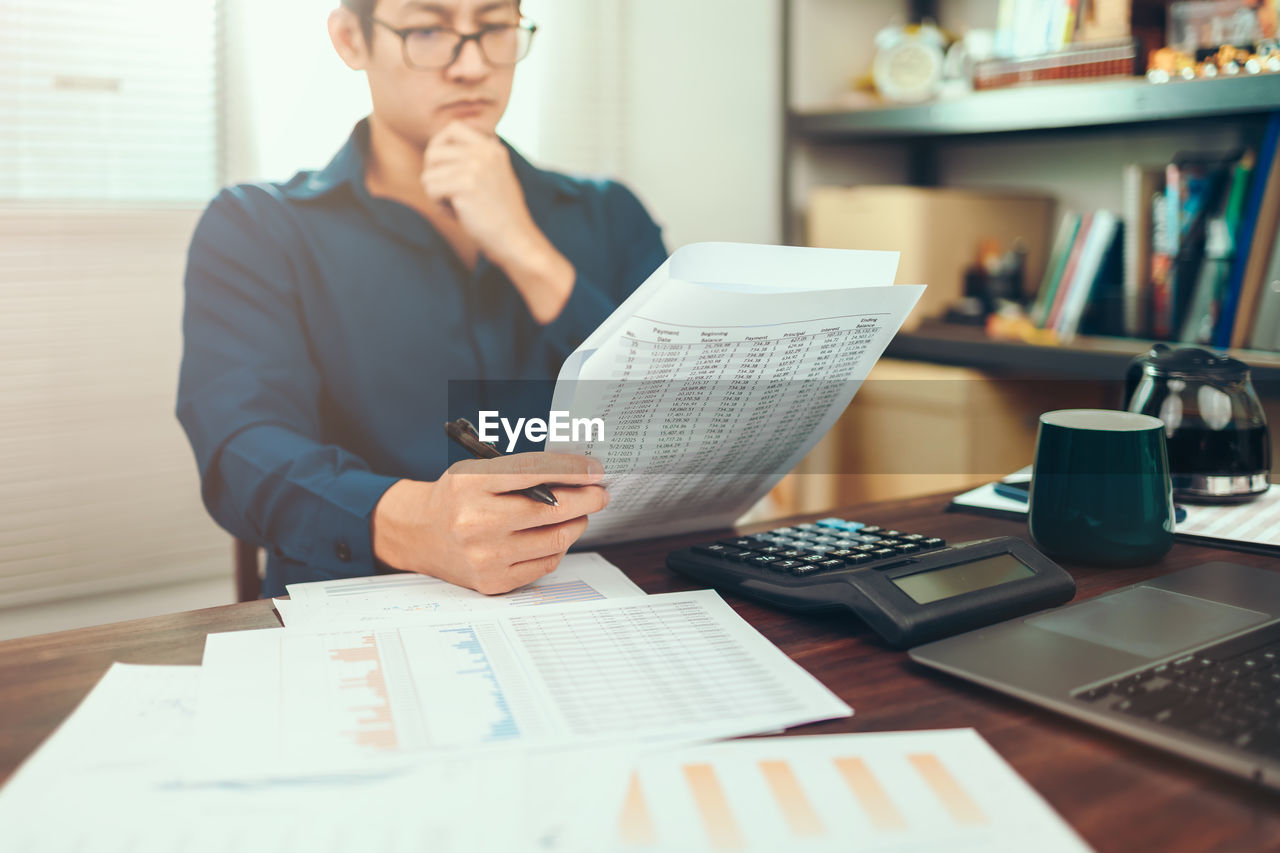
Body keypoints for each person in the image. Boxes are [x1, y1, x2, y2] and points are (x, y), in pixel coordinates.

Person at [177, 0, 666, 598]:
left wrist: (525, 249)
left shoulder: (610, 215)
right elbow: (241, 447)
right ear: (350, 39)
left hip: (608, 591)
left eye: (492, 28)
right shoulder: (257, 227)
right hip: (363, 603)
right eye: (428, 30)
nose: (470, 67)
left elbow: (684, 422)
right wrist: (414, 523)